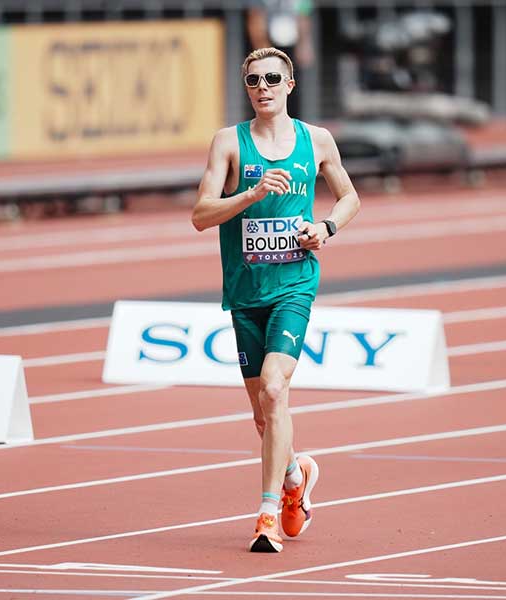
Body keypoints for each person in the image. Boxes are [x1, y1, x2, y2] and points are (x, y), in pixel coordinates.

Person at [192, 47, 360, 553]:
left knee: (273, 389)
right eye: (251, 80)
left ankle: (266, 515)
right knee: (264, 417)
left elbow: (350, 197)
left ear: (289, 85)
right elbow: (201, 215)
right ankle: (296, 477)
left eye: (270, 78)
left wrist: (324, 227)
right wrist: (251, 194)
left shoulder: (317, 140)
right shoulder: (228, 143)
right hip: (245, 291)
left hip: (295, 283)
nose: (261, 87)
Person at [247, 0, 315, 118]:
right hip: (268, 43)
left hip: (291, 45)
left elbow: (304, 15)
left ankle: (291, 122)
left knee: (291, 87)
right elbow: (255, 17)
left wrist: (304, 44)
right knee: (263, 85)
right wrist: (263, 51)